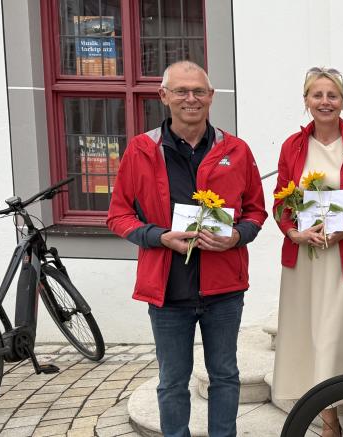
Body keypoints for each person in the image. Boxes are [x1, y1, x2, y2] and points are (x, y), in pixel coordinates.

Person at [107, 60, 267, 437]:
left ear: (211, 97)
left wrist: (236, 237)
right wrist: (158, 236)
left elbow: (256, 211)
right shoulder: (141, 150)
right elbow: (118, 216)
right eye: (181, 91)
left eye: (198, 91)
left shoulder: (236, 150)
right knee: (172, 381)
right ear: (164, 96)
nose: (190, 98)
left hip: (224, 289)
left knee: (225, 376)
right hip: (167, 291)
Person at [270, 67, 343, 432]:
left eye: (332, 95)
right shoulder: (292, 146)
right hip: (307, 261)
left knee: (336, 335)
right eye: (317, 95)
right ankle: (329, 419)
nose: (325, 102)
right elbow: (280, 202)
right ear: (306, 101)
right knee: (313, 336)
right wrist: (294, 232)